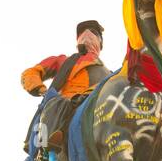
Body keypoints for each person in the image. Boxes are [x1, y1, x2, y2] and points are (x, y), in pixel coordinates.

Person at [21, 21, 109, 152]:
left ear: (100, 43)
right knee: (59, 103)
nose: (88, 35)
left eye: (94, 33)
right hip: (66, 105)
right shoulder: (64, 61)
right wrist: (40, 88)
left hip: (97, 106)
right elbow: (30, 73)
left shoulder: (109, 74)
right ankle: (47, 149)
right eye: (82, 33)